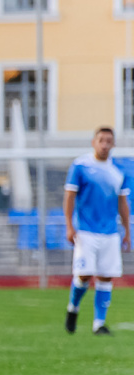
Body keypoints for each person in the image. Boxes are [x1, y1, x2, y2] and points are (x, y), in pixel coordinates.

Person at [64, 127, 131, 335]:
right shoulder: (81, 166)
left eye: (108, 141)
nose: (104, 145)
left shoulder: (118, 170)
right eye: (101, 140)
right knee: (84, 275)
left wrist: (127, 230)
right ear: (93, 142)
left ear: (113, 144)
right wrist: (69, 225)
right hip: (85, 230)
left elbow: (123, 202)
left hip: (110, 231)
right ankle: (73, 307)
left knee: (106, 276)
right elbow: (69, 196)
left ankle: (98, 324)